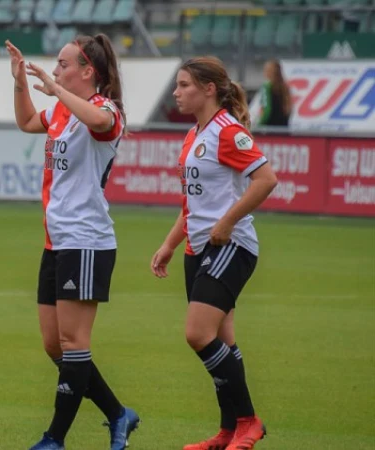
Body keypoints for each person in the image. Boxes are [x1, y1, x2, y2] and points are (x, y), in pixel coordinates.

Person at [6, 35, 139, 450]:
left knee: (74, 344)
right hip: (57, 240)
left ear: (88, 71)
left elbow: (99, 123)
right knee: (55, 346)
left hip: (86, 240)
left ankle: (54, 439)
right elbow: (28, 122)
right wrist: (19, 83)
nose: (57, 68)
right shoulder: (64, 109)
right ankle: (119, 414)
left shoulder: (105, 109)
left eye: (64, 63)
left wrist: (58, 89)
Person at [150, 56, 278, 450]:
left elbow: (266, 180)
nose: (176, 92)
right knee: (222, 340)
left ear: (208, 89)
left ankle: (249, 421)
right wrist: (170, 244)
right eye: (177, 84)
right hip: (197, 248)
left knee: (197, 333)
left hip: (230, 245)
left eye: (184, 84)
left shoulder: (227, 131)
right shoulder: (194, 135)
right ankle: (227, 432)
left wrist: (226, 223)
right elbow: (192, 204)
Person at [256, 59, 291, 127]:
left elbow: (266, 110)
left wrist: (259, 125)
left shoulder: (266, 87)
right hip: (283, 129)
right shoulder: (285, 87)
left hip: (269, 129)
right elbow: (288, 110)